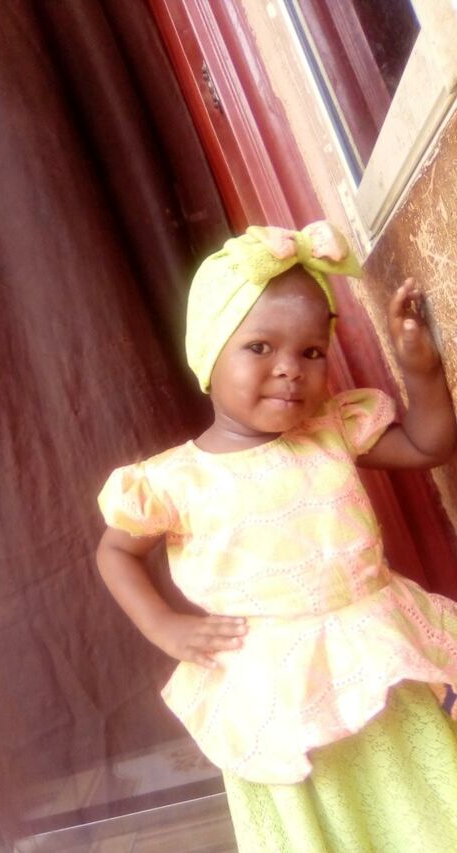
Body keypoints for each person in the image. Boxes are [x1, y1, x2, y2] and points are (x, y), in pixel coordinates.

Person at [96, 221, 457, 851]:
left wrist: (420, 370)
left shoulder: (331, 431)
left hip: (373, 648)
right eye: (260, 347)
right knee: (325, 803)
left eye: (312, 352)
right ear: (210, 353)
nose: (290, 369)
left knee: (415, 779)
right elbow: (116, 552)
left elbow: (429, 445)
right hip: (273, 683)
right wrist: (164, 625)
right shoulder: (173, 482)